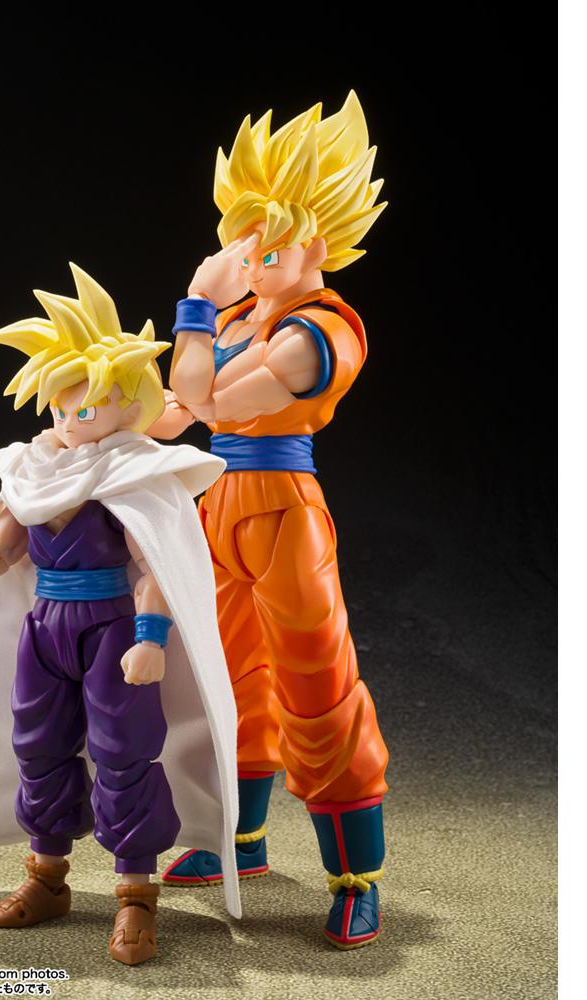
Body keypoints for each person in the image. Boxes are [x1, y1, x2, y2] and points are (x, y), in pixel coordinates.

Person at [0, 263, 240, 965]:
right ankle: (47, 876)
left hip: (112, 630)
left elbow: (157, 565)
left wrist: (150, 637)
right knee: (38, 749)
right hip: (46, 630)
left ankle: (136, 894)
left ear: (129, 406)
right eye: (59, 410)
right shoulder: (34, 474)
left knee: (125, 755)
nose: (68, 423)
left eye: (85, 411)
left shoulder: (136, 474)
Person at [150, 93, 390, 949]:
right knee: (223, 674)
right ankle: (239, 840)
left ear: (318, 242)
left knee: (316, 683)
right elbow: (171, 414)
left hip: (285, 510)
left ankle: (356, 875)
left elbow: (210, 400)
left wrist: (193, 303)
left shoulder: (321, 330)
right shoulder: (243, 317)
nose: (251, 262)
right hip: (218, 503)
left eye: (271, 246)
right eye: (244, 245)